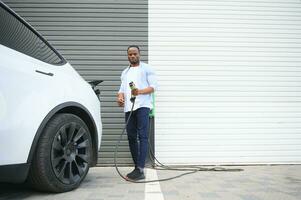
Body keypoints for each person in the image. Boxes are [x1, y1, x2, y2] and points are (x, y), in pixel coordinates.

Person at [117, 45, 158, 180]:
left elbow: (153, 87)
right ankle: (137, 167)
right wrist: (120, 98)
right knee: (131, 137)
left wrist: (139, 92)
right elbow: (122, 89)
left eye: (135, 54)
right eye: (130, 54)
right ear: (127, 56)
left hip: (143, 106)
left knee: (143, 136)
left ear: (139, 54)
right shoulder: (125, 72)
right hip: (129, 108)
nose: (133, 56)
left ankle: (140, 169)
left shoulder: (147, 69)